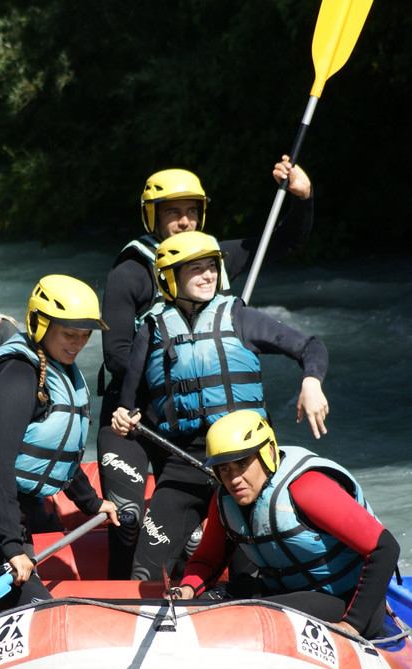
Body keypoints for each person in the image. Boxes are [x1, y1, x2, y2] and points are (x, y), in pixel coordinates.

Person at [98, 159, 313, 578]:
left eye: (191, 212)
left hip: (205, 416)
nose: (184, 221)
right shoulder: (129, 272)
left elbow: (284, 240)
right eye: (172, 213)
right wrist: (174, 364)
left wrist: (302, 198)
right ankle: (119, 588)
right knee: (128, 514)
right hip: (137, 411)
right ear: (152, 217)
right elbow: (116, 355)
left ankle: (219, 567)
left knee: (227, 501)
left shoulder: (210, 257)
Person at [170, 410, 399, 640]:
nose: (234, 478)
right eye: (224, 468)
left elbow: (385, 548)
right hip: (286, 594)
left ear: (267, 453)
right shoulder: (224, 501)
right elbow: (208, 560)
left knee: (252, 614)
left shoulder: (307, 489)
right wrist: (187, 589)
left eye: (242, 464)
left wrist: (352, 625)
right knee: (203, 604)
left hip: (346, 601)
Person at [0, 275, 120, 603]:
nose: (77, 344)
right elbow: (0, 465)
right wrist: (10, 546)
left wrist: (92, 503)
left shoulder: (59, 372)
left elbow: (54, 453)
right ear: (39, 323)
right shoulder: (19, 376)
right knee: (38, 607)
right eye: (68, 334)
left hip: (11, 522)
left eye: (84, 335)